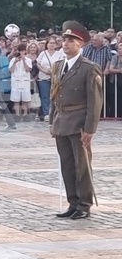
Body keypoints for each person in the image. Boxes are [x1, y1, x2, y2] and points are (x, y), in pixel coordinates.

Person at [50, 21, 104, 220]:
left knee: (82, 166)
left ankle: (84, 204)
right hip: (61, 122)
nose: (65, 44)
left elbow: (95, 101)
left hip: (79, 122)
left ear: (80, 44)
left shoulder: (89, 68)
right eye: (64, 40)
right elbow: (54, 97)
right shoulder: (58, 66)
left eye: (71, 40)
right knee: (67, 165)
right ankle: (73, 202)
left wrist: (90, 129)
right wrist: (51, 122)